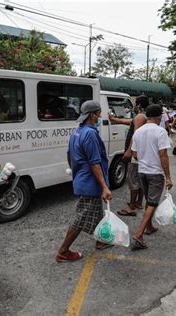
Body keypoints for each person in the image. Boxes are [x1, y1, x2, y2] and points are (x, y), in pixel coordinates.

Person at [56, 100, 112, 262]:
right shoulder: (91, 134)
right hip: (91, 182)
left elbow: (69, 154)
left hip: (82, 179)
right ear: (93, 115)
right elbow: (95, 163)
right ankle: (63, 251)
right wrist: (104, 187)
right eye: (99, 113)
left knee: (95, 212)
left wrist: (75, 171)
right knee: (81, 217)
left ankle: (101, 240)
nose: (100, 116)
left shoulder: (77, 132)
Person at [130, 104, 173, 250]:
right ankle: (139, 233)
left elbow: (134, 154)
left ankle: (149, 227)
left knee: (149, 200)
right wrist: (168, 177)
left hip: (142, 171)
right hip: (155, 173)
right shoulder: (161, 132)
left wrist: (145, 158)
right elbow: (163, 155)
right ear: (159, 116)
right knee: (153, 202)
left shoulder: (138, 132)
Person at [116, 95, 149, 217]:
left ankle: (131, 207)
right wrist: (114, 119)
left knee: (133, 179)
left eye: (135, 103)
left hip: (136, 152)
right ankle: (139, 203)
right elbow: (130, 122)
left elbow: (136, 135)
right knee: (139, 178)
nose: (134, 105)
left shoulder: (140, 116)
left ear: (139, 104)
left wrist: (129, 151)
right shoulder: (144, 116)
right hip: (142, 152)